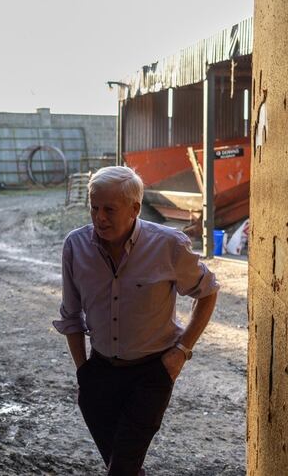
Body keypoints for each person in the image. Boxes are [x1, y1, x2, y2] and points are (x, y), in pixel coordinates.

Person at [53, 166, 219, 476]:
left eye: (109, 210)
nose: (99, 217)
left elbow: (208, 292)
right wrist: (83, 372)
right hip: (98, 373)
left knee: (123, 468)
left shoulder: (168, 245)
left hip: (151, 375)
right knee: (124, 466)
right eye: (94, 207)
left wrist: (181, 352)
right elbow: (71, 316)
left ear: (135, 209)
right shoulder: (75, 247)